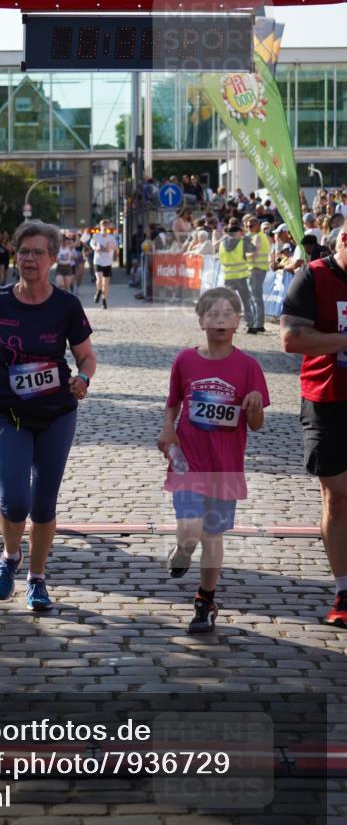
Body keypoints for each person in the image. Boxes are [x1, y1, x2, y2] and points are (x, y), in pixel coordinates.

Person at [0, 220, 97, 611]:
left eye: (37, 252)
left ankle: (37, 579)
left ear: (52, 258)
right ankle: (10, 556)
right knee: (14, 501)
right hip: (10, 413)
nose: (29, 259)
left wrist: (83, 378)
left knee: (43, 505)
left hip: (58, 414)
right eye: (23, 251)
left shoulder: (66, 306)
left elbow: (87, 355)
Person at [157, 287, 270, 634]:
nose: (220, 319)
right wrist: (168, 430)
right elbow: (174, 402)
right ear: (201, 320)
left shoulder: (249, 366)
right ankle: (181, 548)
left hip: (225, 466)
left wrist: (252, 405)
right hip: (188, 461)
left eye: (227, 314)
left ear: (238, 321)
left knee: (214, 536)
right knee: (191, 531)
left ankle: (205, 600)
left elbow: (256, 423)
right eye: (213, 314)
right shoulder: (185, 360)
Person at [280, 218, 347, 627]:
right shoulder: (314, 277)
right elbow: (291, 339)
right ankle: (344, 590)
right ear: (344, 239)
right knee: (337, 496)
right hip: (327, 398)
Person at [218, 219, 256, 333]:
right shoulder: (242, 242)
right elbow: (253, 249)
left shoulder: (221, 244)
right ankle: (251, 325)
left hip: (228, 278)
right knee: (246, 301)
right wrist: (247, 238)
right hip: (241, 277)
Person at [244, 215, 270, 333]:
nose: (248, 228)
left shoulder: (258, 237)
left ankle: (257, 324)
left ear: (258, 226)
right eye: (247, 226)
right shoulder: (259, 236)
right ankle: (258, 323)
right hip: (258, 268)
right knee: (255, 297)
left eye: (251, 226)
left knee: (255, 298)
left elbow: (254, 254)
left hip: (256, 269)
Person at [90, 219, 117, 309]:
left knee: (106, 283)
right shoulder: (96, 236)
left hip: (108, 262)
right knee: (99, 279)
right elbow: (92, 244)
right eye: (103, 226)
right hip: (98, 260)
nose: (105, 227)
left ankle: (104, 301)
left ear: (108, 227)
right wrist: (95, 248)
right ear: (100, 226)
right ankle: (98, 291)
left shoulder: (111, 237)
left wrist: (110, 247)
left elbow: (115, 247)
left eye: (106, 226)